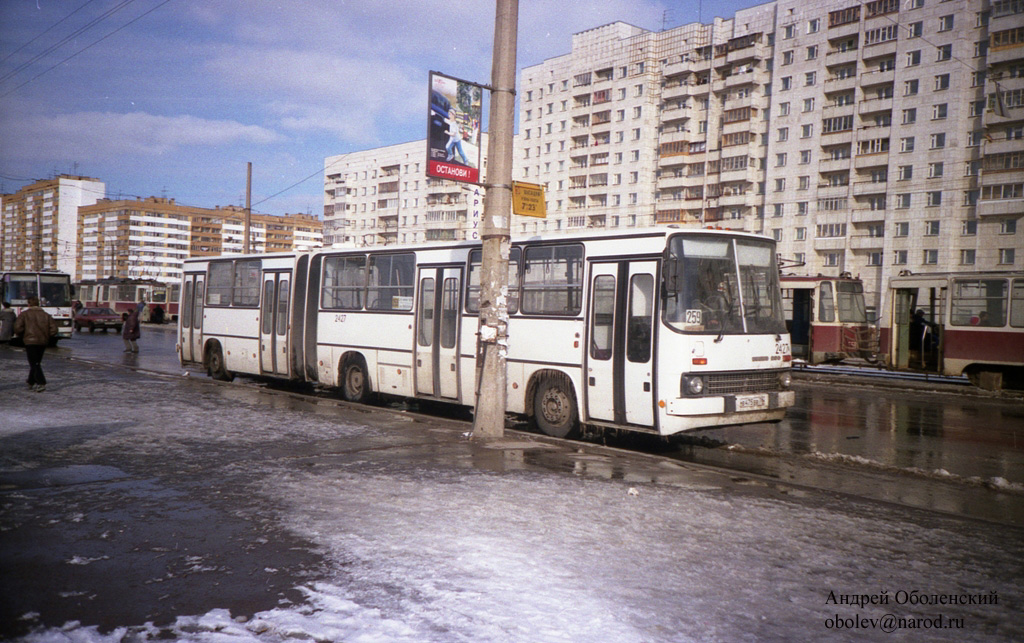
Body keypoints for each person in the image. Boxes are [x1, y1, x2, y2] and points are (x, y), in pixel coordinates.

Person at [13, 296, 58, 392]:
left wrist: (22, 335)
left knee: (34, 363)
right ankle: (30, 381)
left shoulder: (24, 314)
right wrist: (47, 335)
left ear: (28, 304)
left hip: (30, 341)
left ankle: (41, 382)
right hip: (42, 341)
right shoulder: (46, 315)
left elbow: (17, 328)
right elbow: (54, 329)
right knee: (36, 362)